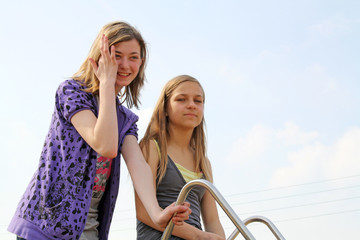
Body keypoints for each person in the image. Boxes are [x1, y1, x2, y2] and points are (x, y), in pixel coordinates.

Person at [7, 21, 191, 240]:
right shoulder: (72, 92)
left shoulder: (126, 119)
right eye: (116, 55)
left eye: (133, 57)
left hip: (89, 229)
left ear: (141, 63)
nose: (124, 65)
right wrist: (106, 84)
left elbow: (138, 164)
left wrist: (157, 213)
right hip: (46, 225)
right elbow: (105, 145)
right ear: (100, 57)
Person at [135, 75, 226, 240]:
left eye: (198, 101)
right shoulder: (151, 147)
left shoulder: (203, 162)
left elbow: (213, 221)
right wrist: (200, 236)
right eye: (181, 99)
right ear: (165, 108)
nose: (191, 105)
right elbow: (144, 213)